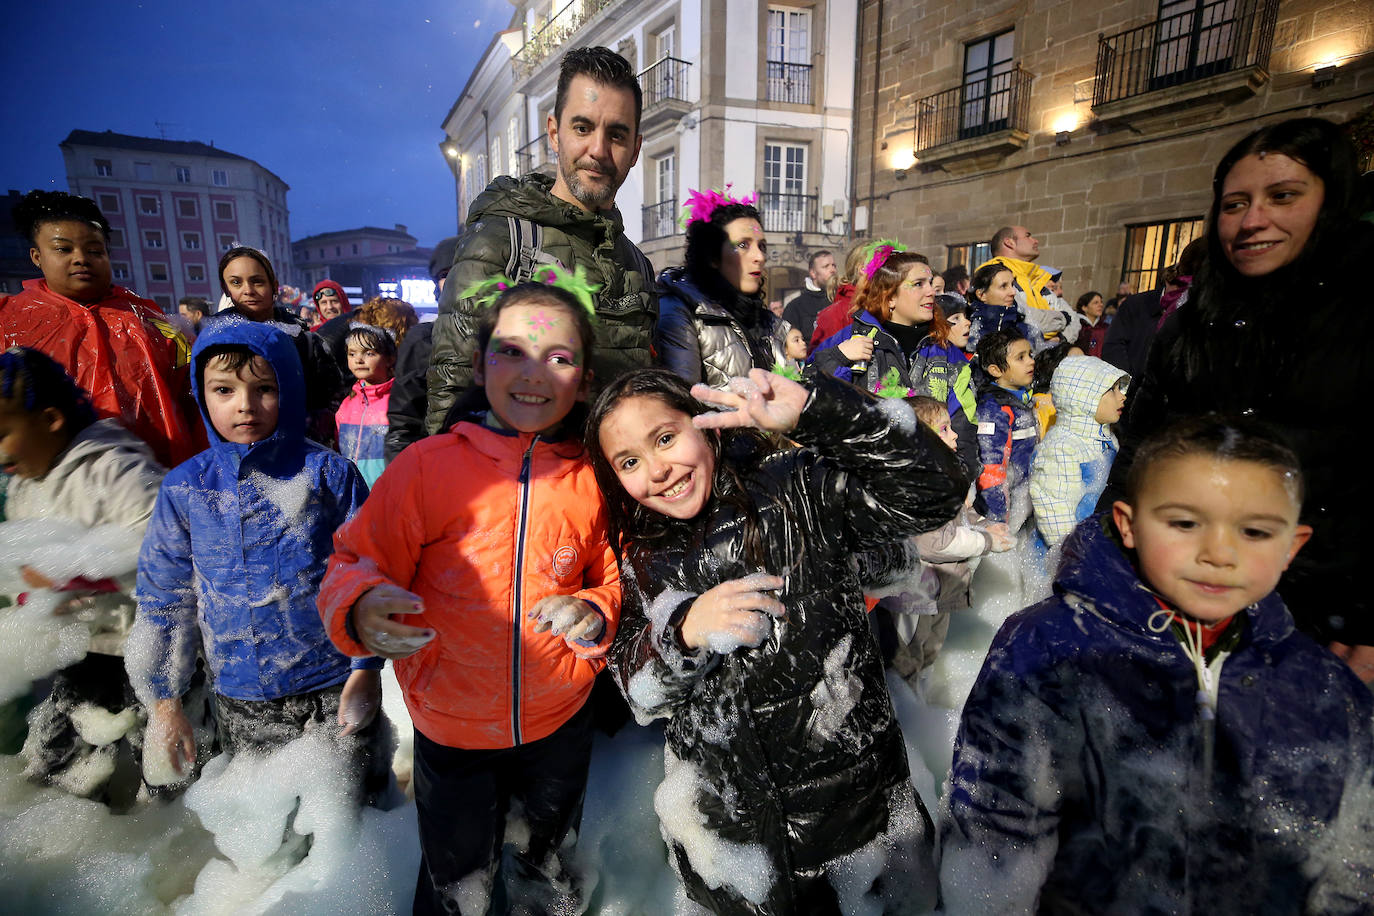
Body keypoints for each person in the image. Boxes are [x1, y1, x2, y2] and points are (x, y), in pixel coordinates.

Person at [943, 417, 1374, 914]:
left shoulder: (1324, 686)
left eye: (1255, 531)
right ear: (1128, 524)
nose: (1219, 553)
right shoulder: (1051, 648)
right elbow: (994, 827)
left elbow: (1354, 859)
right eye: (1185, 523)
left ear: (1292, 546)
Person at [586, 367, 966, 914]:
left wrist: (821, 413)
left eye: (665, 438)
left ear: (706, 425)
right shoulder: (642, 554)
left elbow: (935, 493)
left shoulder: (799, 487)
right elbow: (638, 691)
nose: (658, 470)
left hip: (858, 829)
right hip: (731, 847)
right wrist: (684, 632)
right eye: (629, 462)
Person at [318, 273, 620, 915]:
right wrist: (363, 605)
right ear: (481, 366)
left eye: (559, 357)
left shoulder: (593, 480)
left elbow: (615, 576)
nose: (533, 372)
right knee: (458, 884)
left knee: (547, 873)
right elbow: (355, 558)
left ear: (585, 381)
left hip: (558, 721)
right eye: (512, 350)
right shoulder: (427, 468)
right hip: (451, 730)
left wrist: (595, 608)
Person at [1117, 117, 1374, 682]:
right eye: (1235, 204)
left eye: (1282, 197)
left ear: (1331, 201)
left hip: (1329, 617)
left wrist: (1363, 621)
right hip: (1185, 596)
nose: (1253, 221)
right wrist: (1110, 568)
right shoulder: (1190, 327)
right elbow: (1140, 453)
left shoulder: (1361, 313)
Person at [129, 317, 387, 794]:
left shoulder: (328, 474)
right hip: (241, 694)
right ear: (201, 395)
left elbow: (369, 575)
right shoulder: (187, 487)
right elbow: (165, 598)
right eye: (223, 390)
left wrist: (366, 670)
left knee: (350, 814)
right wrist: (164, 703)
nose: (244, 406)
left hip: (331, 684)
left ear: (288, 389)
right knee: (266, 827)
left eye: (264, 388)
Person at [427, 46, 657, 433]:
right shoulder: (501, 242)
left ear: (635, 149)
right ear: (555, 132)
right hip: (517, 487)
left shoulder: (637, 264)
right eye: (582, 128)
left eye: (616, 135)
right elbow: (451, 396)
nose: (598, 151)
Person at [2, 347, 166, 800]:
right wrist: (27, 595)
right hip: (78, 649)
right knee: (58, 766)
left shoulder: (111, 467)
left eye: (3, 433)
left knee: (160, 762)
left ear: (51, 420)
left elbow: (162, 539)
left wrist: (76, 574)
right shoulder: (24, 485)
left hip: (136, 646)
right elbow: (25, 567)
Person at [0, 190, 201, 468]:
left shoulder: (155, 324)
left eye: (94, 250)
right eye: (63, 249)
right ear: (36, 256)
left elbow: (198, 402)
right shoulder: (8, 322)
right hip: (53, 489)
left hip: (155, 484)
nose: (81, 258)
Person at [870, 396, 1013, 686]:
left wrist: (985, 525)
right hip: (911, 597)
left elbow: (960, 516)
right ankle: (907, 718)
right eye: (945, 429)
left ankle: (922, 707)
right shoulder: (916, 485)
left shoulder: (939, 475)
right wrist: (986, 542)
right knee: (905, 662)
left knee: (930, 652)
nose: (956, 434)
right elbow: (935, 544)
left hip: (937, 592)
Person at [656, 190, 790, 390]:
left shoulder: (769, 321)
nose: (759, 257)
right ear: (712, 256)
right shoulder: (679, 310)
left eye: (762, 246)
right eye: (743, 245)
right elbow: (681, 400)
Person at [210, 247, 347, 440]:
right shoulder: (213, 341)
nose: (247, 290)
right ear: (225, 289)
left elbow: (331, 400)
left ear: (274, 286)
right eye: (236, 282)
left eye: (257, 281)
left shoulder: (303, 340)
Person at [1030, 356, 1127, 548]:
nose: (1122, 396)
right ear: (1083, 397)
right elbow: (1055, 516)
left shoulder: (1106, 439)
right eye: (1111, 390)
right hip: (1070, 560)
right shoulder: (1061, 448)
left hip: (1099, 545)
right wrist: (1075, 558)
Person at [810, 246, 928, 392]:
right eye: (918, 284)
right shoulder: (847, 324)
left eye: (930, 282)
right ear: (889, 295)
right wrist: (839, 356)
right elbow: (810, 377)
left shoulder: (940, 341)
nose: (931, 291)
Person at [386, 237, 458, 461]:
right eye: (444, 274)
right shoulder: (422, 339)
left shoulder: (505, 333)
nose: (455, 279)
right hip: (440, 470)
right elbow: (403, 425)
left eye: (461, 269)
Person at [974, 327, 1038, 531]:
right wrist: (998, 521)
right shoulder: (995, 410)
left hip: (1021, 501)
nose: (1030, 361)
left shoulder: (1021, 398)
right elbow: (991, 470)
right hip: (1003, 512)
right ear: (995, 370)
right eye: (1020, 358)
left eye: (1030, 354)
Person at [977, 226, 1080, 348]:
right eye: (1028, 235)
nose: (1035, 241)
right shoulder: (992, 276)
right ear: (1009, 243)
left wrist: (1060, 340)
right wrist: (1063, 317)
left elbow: (1074, 319)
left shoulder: (1038, 278)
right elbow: (1022, 318)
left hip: (1050, 356)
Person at [910, 296, 979, 476]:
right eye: (955, 318)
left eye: (965, 316)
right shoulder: (952, 359)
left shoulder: (957, 360)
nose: (967, 323)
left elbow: (963, 421)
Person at [336, 324, 396, 488]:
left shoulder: (397, 403)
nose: (358, 360)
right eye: (352, 353)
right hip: (351, 494)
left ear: (390, 359)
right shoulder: (348, 403)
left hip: (385, 493)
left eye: (369, 353)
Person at [809, 239, 875, 351]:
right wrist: (843, 355)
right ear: (862, 269)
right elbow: (817, 362)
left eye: (833, 265)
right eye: (883, 265)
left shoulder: (892, 305)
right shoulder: (836, 313)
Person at [781, 249, 835, 344]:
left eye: (834, 265)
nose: (832, 270)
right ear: (813, 273)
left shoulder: (842, 299)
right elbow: (789, 345)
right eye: (826, 266)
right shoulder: (795, 307)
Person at [1072, 290, 1108, 357]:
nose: (1101, 305)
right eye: (1096, 303)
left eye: (1101, 302)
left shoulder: (1105, 327)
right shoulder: (1076, 325)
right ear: (1084, 308)